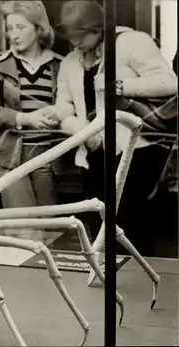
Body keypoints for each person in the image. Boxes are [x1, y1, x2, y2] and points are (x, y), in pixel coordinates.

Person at [52, 1, 178, 253]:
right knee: (98, 223)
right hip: (94, 154)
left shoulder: (132, 42)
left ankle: (137, 281)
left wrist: (120, 87)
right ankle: (102, 281)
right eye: (71, 36)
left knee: (132, 224)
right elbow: (62, 109)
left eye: (81, 35)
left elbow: (170, 83)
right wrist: (82, 130)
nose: (75, 42)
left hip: (139, 150)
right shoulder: (69, 62)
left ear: (98, 29)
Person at [0, 1, 63, 212]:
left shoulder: (60, 65)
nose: (13, 35)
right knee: (19, 228)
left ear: (38, 28)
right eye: (9, 28)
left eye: (20, 27)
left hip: (49, 156)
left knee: (49, 225)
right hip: (11, 156)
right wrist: (25, 119)